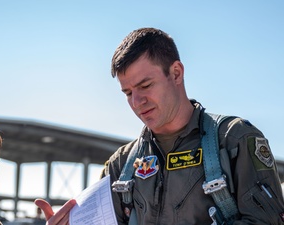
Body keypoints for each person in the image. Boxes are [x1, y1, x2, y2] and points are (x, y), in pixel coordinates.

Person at [37, 27, 284, 224]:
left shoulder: (235, 140)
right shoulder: (120, 166)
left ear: (176, 73)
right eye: (127, 92)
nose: (137, 102)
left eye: (145, 86)